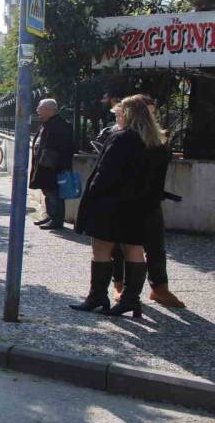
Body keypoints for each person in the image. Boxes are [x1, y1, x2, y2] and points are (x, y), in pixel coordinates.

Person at [72, 95, 170, 317]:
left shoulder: (121, 138)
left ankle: (97, 296)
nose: (116, 118)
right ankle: (130, 300)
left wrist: (92, 196)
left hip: (112, 203)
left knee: (101, 249)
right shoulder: (159, 142)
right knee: (134, 249)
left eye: (118, 114)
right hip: (142, 205)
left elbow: (105, 173)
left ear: (127, 114)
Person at [108, 95, 186, 308]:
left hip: (148, 200)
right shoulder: (116, 135)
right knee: (121, 246)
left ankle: (159, 288)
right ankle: (120, 285)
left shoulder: (159, 139)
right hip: (126, 200)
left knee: (155, 246)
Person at [29, 99, 75, 230]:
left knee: (54, 193)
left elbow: (61, 148)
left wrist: (51, 164)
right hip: (44, 165)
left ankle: (56, 220)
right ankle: (50, 216)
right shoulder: (47, 123)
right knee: (47, 192)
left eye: (40, 108)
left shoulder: (60, 125)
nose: (37, 110)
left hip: (53, 167)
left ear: (49, 110)